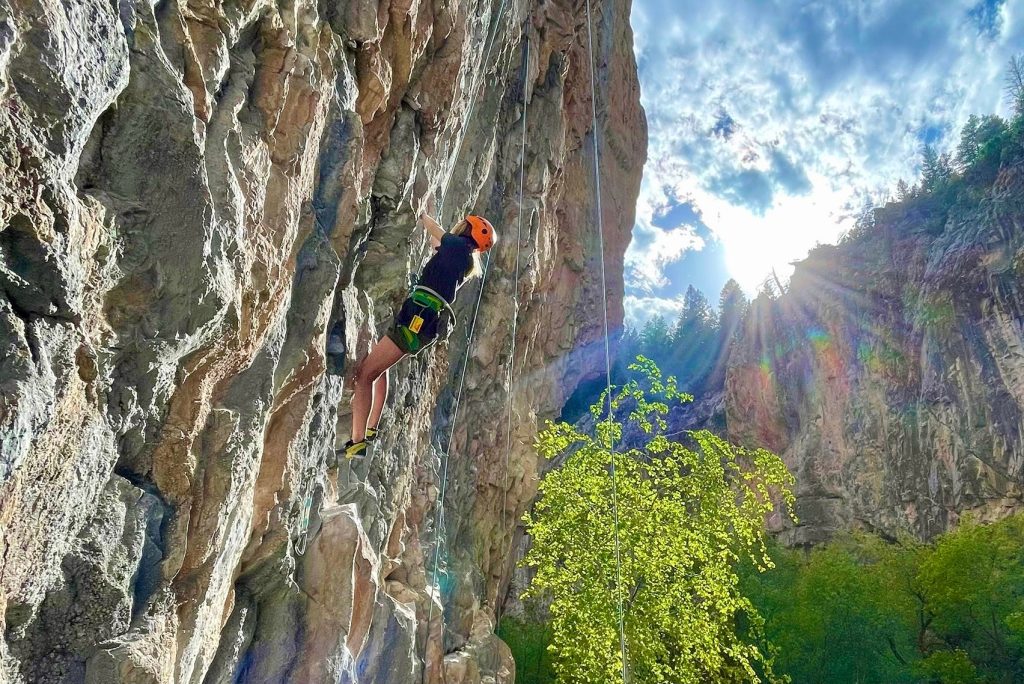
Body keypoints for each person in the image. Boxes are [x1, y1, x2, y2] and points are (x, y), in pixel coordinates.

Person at [340, 211, 497, 460]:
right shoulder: (462, 258)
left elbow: (438, 234)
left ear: (468, 230)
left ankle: (358, 442)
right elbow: (438, 244)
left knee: (364, 376)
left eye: (464, 223)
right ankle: (369, 430)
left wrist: (423, 214)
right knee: (379, 371)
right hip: (422, 319)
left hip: (417, 317)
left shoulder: (457, 248)